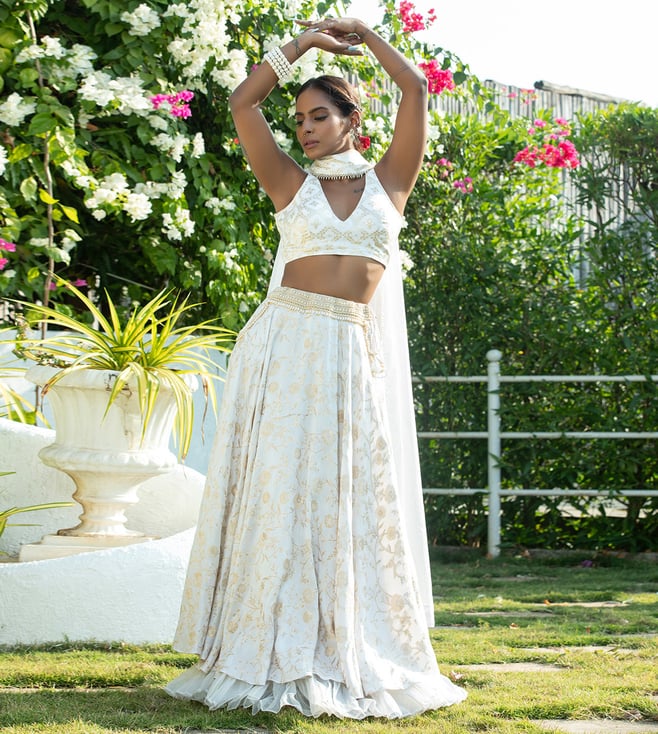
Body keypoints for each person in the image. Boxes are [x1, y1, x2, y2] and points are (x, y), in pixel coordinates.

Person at [164, 15, 467, 719]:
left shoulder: (391, 183)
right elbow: (243, 102)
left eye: (319, 116)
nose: (303, 128)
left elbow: (417, 88)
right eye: (299, 119)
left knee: (348, 498)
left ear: (352, 121)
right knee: (279, 496)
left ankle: (343, 644)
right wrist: (301, 45)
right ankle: (263, 648)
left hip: (347, 351)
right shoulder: (290, 184)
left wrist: (364, 36)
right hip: (282, 347)